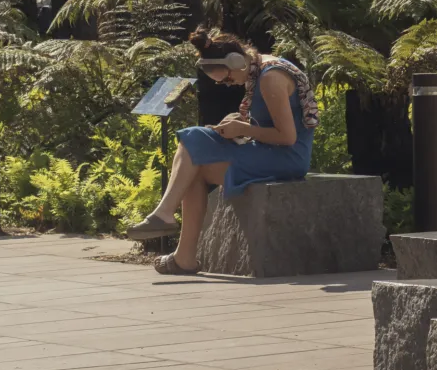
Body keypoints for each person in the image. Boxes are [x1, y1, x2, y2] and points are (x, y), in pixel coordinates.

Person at [128, 26, 320, 275]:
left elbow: (287, 137)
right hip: (265, 149)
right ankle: (182, 253)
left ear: (237, 61)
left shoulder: (271, 77)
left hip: (287, 158)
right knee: (194, 151)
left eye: (228, 79)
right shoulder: (258, 69)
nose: (230, 85)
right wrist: (237, 128)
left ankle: (167, 219)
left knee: (194, 146)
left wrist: (243, 128)